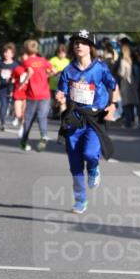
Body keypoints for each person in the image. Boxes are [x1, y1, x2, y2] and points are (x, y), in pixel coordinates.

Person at [56, 30, 119, 214]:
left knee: (90, 153)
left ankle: (93, 169)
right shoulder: (68, 70)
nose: (79, 45)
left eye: (83, 42)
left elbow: (113, 87)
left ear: (90, 47)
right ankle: (80, 200)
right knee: (75, 164)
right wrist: (59, 98)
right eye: (76, 42)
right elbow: (61, 94)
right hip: (74, 119)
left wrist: (113, 106)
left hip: (95, 118)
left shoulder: (100, 68)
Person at [19, 39, 54, 151]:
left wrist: (23, 83)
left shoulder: (27, 61)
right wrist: (45, 76)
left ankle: (24, 141)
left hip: (32, 94)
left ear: (26, 49)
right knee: (42, 117)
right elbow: (53, 70)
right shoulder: (43, 60)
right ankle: (44, 135)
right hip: (45, 93)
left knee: (28, 119)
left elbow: (30, 72)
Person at [0, 43, 17, 130]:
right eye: (5, 52)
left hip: (13, 87)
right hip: (2, 87)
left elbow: (20, 75)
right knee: (3, 105)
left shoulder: (16, 65)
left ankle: (16, 117)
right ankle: (2, 123)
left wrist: (16, 80)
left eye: (8, 52)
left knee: (15, 105)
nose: (6, 54)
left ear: (12, 54)